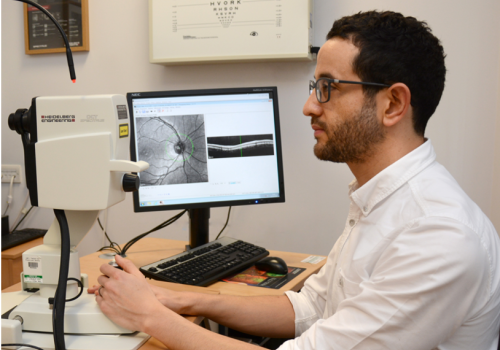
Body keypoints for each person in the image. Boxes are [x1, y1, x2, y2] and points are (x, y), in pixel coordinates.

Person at [89, 11, 500, 350]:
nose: (308, 107)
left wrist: (148, 315)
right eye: (314, 87)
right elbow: (310, 307)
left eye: (327, 88)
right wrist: (179, 298)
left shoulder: (437, 236)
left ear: (393, 103)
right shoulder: (381, 201)